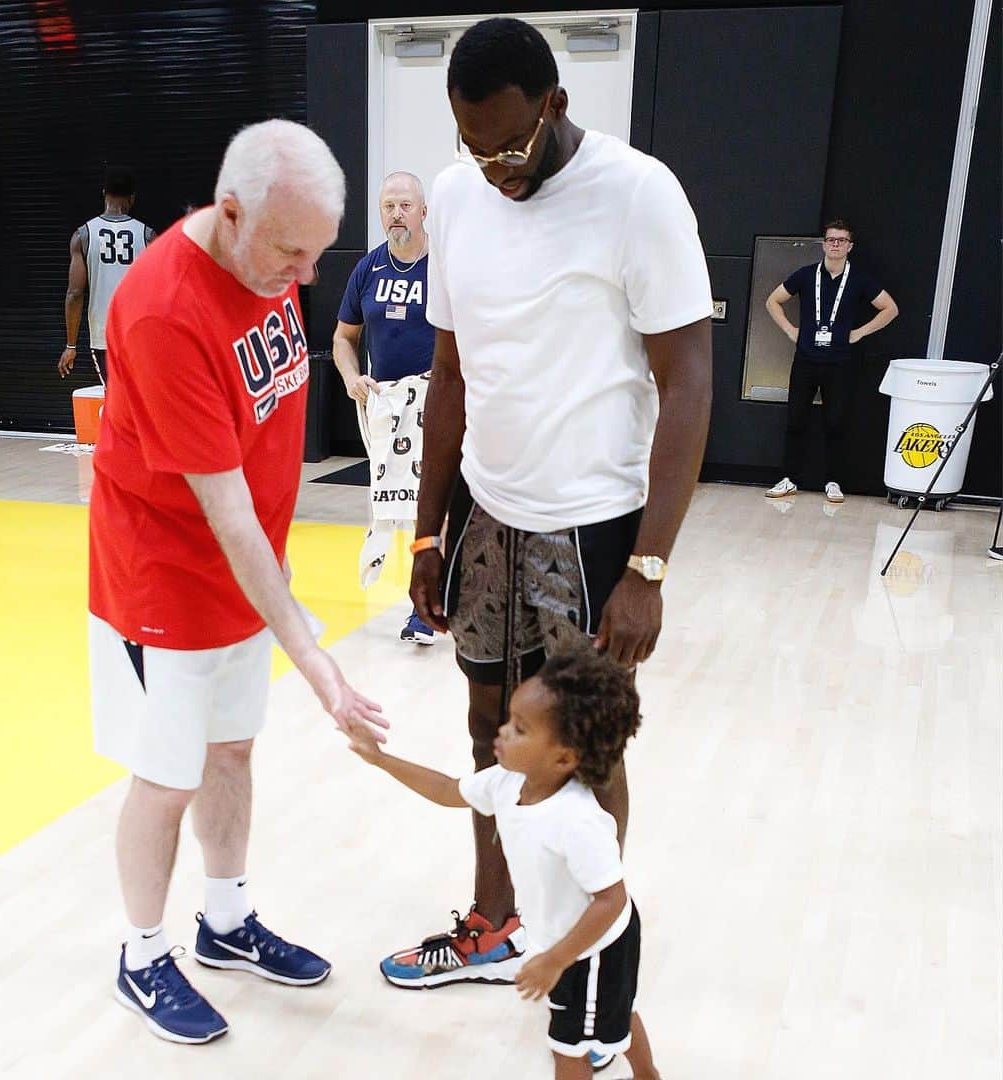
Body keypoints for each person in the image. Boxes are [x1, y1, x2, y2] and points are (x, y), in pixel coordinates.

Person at [387, 14, 714, 1013]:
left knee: (581, 746)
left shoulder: (636, 196)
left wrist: (649, 567)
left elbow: (690, 377)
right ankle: (494, 925)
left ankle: (591, 943)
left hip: (596, 521)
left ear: (555, 107)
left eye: (510, 145)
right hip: (489, 511)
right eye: (472, 145)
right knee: (492, 727)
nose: (493, 167)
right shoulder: (455, 195)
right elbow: (448, 373)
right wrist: (430, 527)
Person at [88, 119, 387, 1045]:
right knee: (167, 778)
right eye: (293, 253)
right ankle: (143, 955)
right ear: (229, 212)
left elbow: (273, 435)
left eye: (318, 254)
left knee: (231, 756)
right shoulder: (164, 309)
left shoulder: (267, 262)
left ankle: (224, 923)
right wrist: (317, 656)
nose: (306, 277)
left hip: (247, 583)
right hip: (163, 584)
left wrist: (283, 580)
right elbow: (222, 511)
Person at [349, 644, 660, 1080]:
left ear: (564, 757)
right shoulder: (507, 781)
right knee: (617, 1015)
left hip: (595, 947)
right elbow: (446, 790)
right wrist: (381, 760)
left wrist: (557, 960)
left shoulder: (579, 819)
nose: (503, 733)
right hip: (566, 943)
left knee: (568, 1049)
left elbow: (610, 901)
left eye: (520, 729)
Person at [332, 171, 437, 646]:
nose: (396, 214)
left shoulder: (445, 266)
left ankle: (424, 607)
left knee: (429, 507)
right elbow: (342, 339)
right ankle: (432, 597)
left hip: (439, 404)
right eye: (388, 206)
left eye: (405, 205)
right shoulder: (368, 270)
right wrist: (353, 378)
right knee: (398, 505)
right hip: (385, 407)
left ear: (423, 211)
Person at [764, 219, 898, 503]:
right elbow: (772, 301)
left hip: (839, 362)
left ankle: (833, 481)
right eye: (830, 239)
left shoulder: (860, 279)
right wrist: (790, 330)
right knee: (796, 419)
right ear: (823, 243)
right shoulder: (805, 275)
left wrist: (859, 333)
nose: (835, 244)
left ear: (850, 246)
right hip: (806, 359)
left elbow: (890, 308)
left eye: (841, 240)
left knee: (836, 422)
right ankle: (789, 479)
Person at [57, 165, 154, 384]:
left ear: (104, 192)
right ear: (132, 197)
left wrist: (71, 345)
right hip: (140, 335)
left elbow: (74, 294)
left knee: (116, 402)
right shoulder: (147, 235)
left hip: (104, 334)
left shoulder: (83, 235)